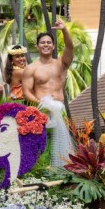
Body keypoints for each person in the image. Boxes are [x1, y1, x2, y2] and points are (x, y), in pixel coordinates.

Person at [22, 19, 74, 167]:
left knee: (62, 148)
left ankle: (63, 177)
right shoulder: (31, 68)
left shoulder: (61, 63)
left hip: (60, 110)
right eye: (43, 42)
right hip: (41, 112)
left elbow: (70, 47)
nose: (46, 44)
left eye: (49, 42)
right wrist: (42, 105)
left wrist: (64, 30)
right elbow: (26, 92)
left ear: (53, 46)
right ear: (37, 46)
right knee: (43, 148)